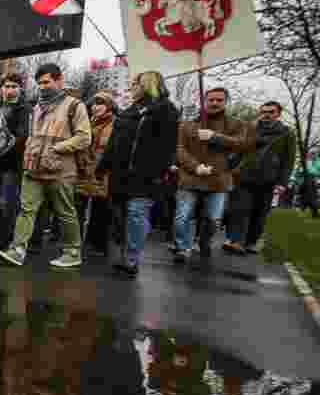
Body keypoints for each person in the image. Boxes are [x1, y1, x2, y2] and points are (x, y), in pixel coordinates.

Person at [0, 63, 91, 269]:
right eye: (39, 83)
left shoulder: (75, 106)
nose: (42, 86)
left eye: (46, 82)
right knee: (26, 209)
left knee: (65, 211)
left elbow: (84, 138)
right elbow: (33, 136)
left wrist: (57, 148)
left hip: (60, 169)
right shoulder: (37, 106)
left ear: (59, 80)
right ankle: (17, 249)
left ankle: (73, 251)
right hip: (34, 167)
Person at [96, 72, 178, 277]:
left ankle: (132, 260)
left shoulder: (165, 110)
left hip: (145, 176)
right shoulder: (127, 112)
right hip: (120, 175)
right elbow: (114, 143)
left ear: (147, 85)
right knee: (120, 216)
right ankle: (124, 253)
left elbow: (168, 147)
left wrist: (160, 171)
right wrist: (102, 166)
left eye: (135, 84)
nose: (131, 87)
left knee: (136, 215)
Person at [172, 87, 250, 264]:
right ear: (204, 101)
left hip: (218, 180)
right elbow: (180, 150)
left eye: (219, 100)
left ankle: (204, 241)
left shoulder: (236, 125)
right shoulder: (188, 124)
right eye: (211, 99)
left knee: (213, 219)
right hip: (191, 178)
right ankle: (182, 248)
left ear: (226, 102)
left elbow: (242, 146)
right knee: (182, 216)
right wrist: (195, 167)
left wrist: (215, 136)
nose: (214, 103)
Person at [224, 101, 296, 255]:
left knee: (260, 212)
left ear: (278, 114)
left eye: (271, 112)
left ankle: (251, 242)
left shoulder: (287, 133)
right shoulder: (249, 129)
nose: (267, 115)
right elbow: (238, 149)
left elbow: (288, 160)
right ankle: (237, 241)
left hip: (268, 179)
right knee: (239, 209)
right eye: (264, 111)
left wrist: (282, 182)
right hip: (244, 176)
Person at [0, 73, 32, 257]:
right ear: (1, 87)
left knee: (7, 203)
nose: (9, 89)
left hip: (12, 162)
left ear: (20, 88)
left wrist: (3, 145)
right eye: (6, 86)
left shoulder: (24, 108)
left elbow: (22, 135)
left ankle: (1, 241)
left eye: (14, 86)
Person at [74, 91, 116, 258]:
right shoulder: (88, 122)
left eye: (100, 104)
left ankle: (97, 245)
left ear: (109, 106)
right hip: (84, 171)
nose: (95, 107)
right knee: (78, 207)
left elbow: (107, 150)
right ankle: (74, 242)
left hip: (101, 173)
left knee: (100, 210)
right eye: (94, 104)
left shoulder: (114, 124)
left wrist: (95, 166)